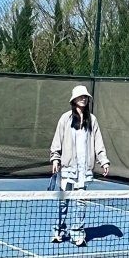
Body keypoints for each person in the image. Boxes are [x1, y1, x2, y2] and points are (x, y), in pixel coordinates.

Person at [49, 85, 110, 246]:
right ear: (74, 99)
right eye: (80, 96)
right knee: (63, 201)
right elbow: (58, 140)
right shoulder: (65, 119)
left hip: (84, 170)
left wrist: (103, 160)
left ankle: (78, 233)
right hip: (68, 169)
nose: (83, 98)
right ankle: (59, 231)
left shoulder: (92, 120)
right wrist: (55, 158)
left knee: (81, 201)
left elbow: (98, 142)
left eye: (85, 97)